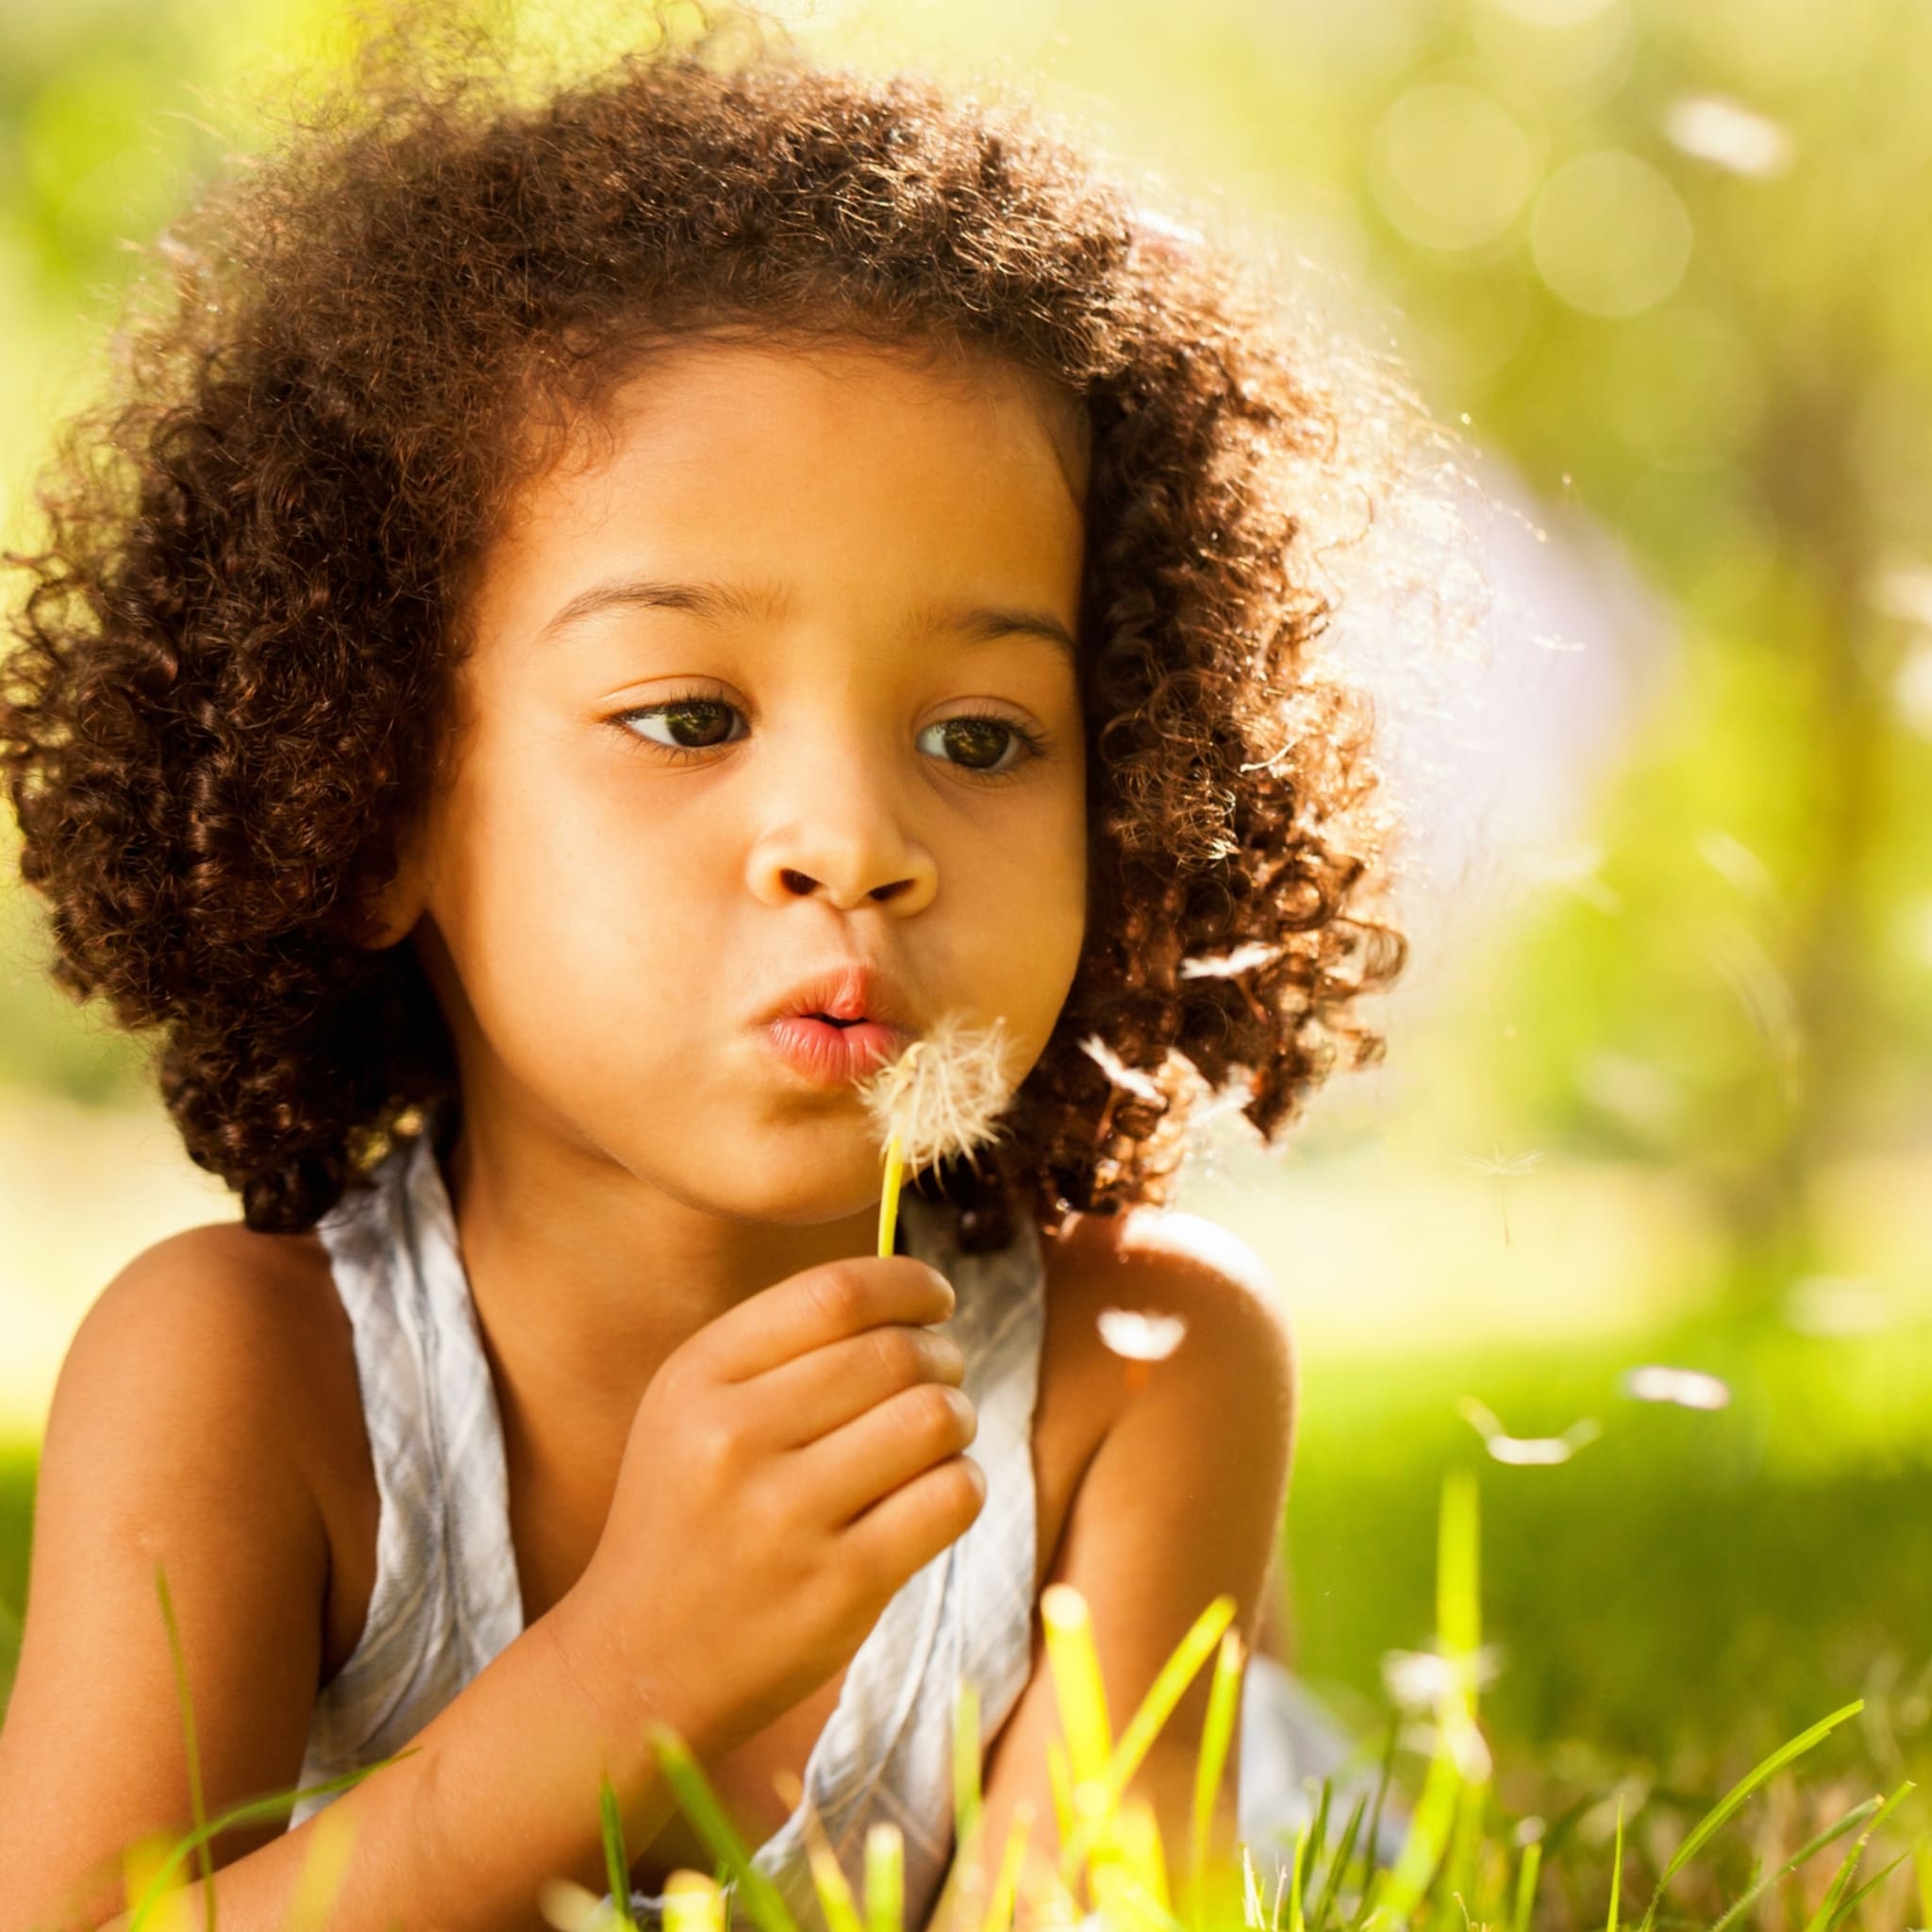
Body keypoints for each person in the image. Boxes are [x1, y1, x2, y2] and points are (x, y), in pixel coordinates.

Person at [0, 8, 1422, 1928]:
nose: (852, 839)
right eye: (686, 716)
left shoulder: (1139, 1375)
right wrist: (626, 1676)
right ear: (372, 792)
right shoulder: (246, 1384)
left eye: (983, 735)